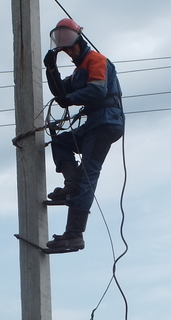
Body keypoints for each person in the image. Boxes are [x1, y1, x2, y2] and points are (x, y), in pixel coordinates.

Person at [43, 18, 124, 252]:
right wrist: (51, 70)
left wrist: (69, 99)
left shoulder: (96, 60)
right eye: (64, 49)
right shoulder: (79, 71)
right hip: (94, 125)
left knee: (88, 176)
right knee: (60, 142)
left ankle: (75, 234)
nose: (69, 52)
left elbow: (97, 90)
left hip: (106, 122)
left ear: (79, 39)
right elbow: (61, 94)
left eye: (70, 46)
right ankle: (71, 184)